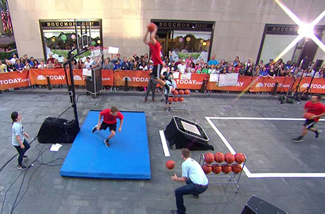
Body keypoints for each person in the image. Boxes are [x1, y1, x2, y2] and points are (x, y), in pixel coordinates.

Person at [171, 148, 208, 214]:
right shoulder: (193, 161)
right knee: (189, 181)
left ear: (182, 155)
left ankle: (180, 211)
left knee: (178, 192)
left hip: (198, 187)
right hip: (205, 184)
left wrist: (176, 178)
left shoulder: (185, 164)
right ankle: (195, 194)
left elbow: (183, 179)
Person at [143, 24, 171, 92]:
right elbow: (144, 40)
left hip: (158, 63)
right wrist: (147, 31)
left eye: (151, 39)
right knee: (155, 76)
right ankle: (166, 77)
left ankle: (167, 87)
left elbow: (152, 37)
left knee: (157, 79)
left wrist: (155, 29)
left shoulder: (157, 44)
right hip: (155, 64)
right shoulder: (151, 45)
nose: (150, 40)